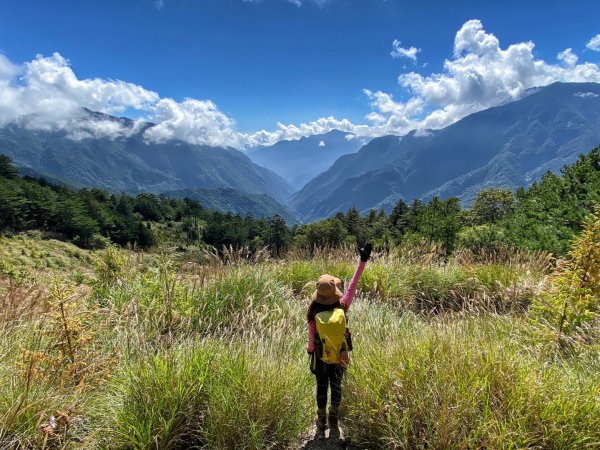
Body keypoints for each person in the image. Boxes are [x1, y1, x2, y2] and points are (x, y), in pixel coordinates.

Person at [306, 243, 372, 436]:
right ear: (335, 292)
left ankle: (321, 420)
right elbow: (352, 285)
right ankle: (334, 418)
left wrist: (311, 351)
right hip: (340, 355)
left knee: (321, 387)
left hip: (320, 357)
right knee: (336, 386)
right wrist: (362, 261)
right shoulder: (343, 306)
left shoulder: (313, 313)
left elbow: (311, 340)